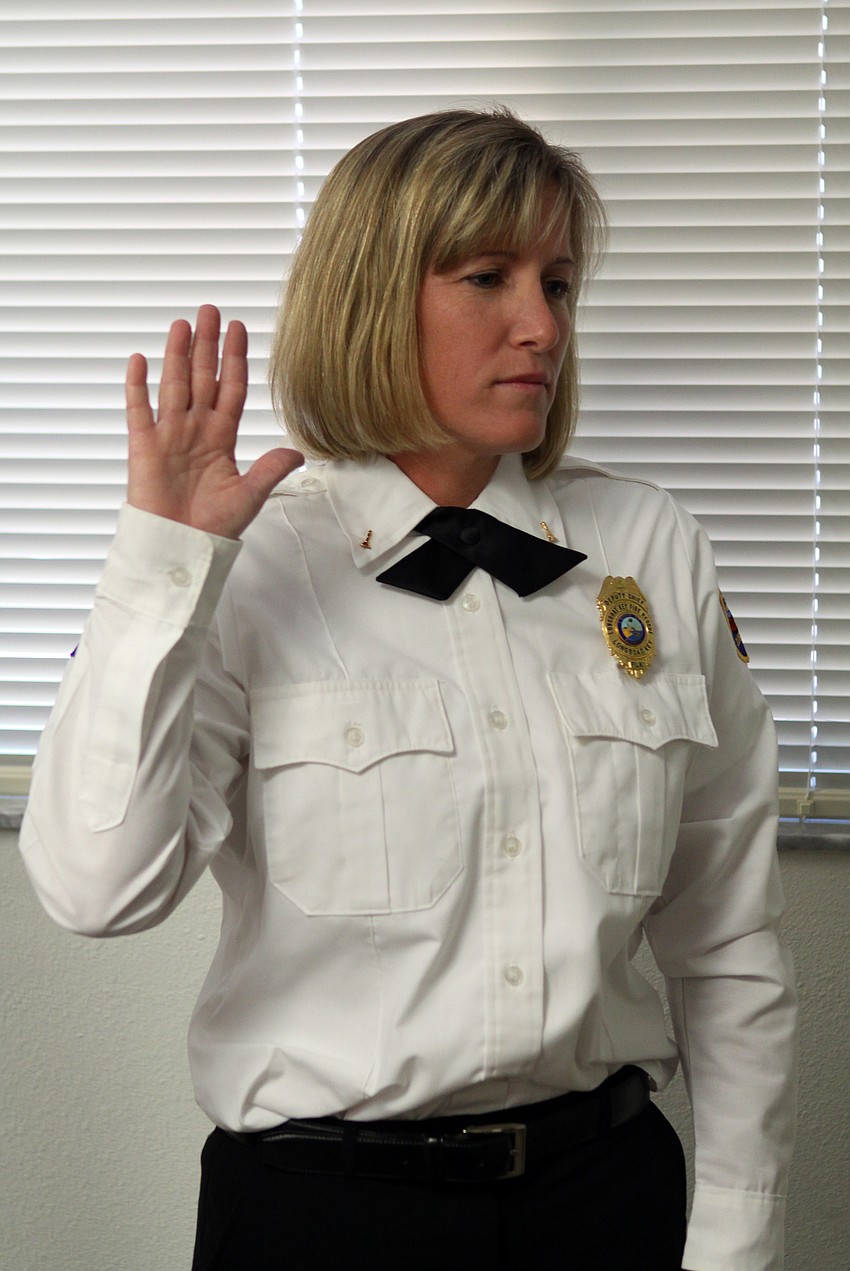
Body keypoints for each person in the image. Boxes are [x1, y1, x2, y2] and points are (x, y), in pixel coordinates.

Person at [20, 108, 797, 1271]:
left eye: (560, 282)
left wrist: (735, 1234)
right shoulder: (247, 561)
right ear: (373, 294)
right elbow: (98, 890)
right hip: (320, 1221)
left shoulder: (648, 545)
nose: (541, 324)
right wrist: (160, 567)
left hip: (608, 1203)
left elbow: (725, 933)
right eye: (487, 276)